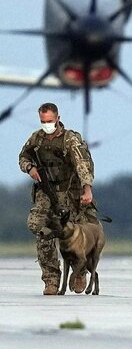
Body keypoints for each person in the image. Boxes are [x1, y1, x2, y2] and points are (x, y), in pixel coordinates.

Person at [18, 103, 97, 295]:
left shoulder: (70, 140)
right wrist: (30, 168)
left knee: (77, 233)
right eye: (43, 121)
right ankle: (51, 279)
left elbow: (83, 165)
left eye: (50, 121)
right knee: (40, 229)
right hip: (47, 191)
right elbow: (23, 156)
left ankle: (80, 272)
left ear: (58, 119)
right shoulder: (37, 139)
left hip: (70, 191)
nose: (47, 125)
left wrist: (87, 190)